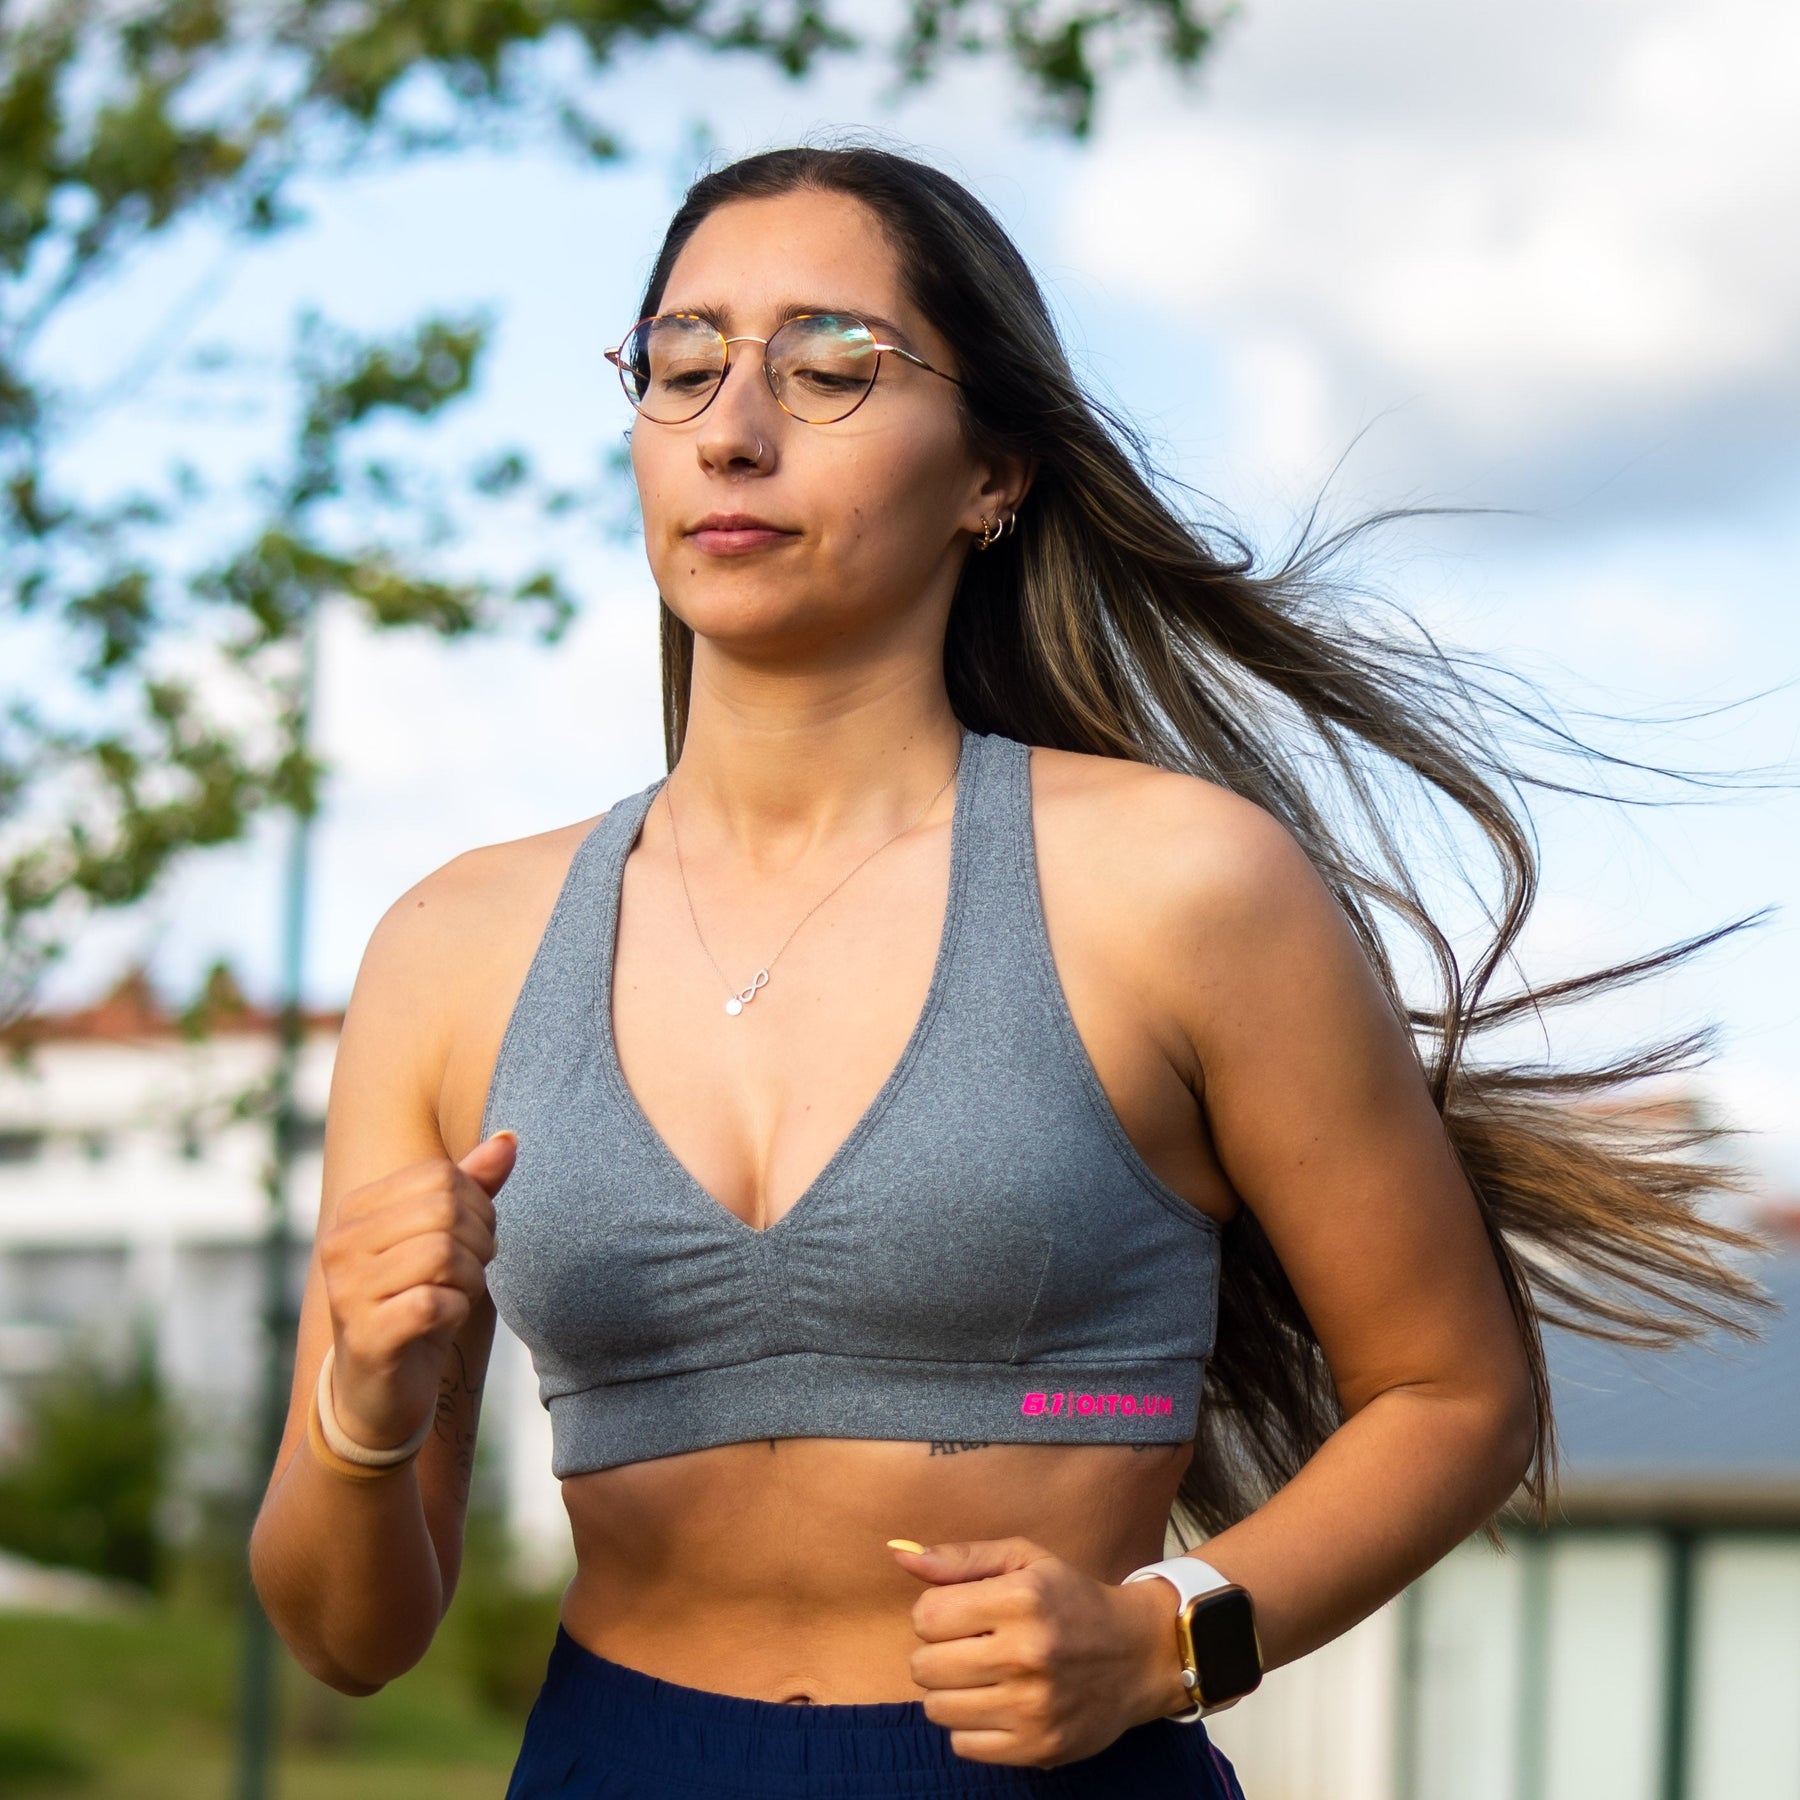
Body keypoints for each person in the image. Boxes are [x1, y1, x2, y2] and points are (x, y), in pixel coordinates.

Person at [248, 144, 1765, 1799]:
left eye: (832, 367)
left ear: (995, 475)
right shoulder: (453, 946)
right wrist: (361, 1409)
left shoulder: (1183, 887)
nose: (733, 426)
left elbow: (1453, 1393)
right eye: (683, 365)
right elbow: (348, 1637)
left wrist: (1167, 1638)